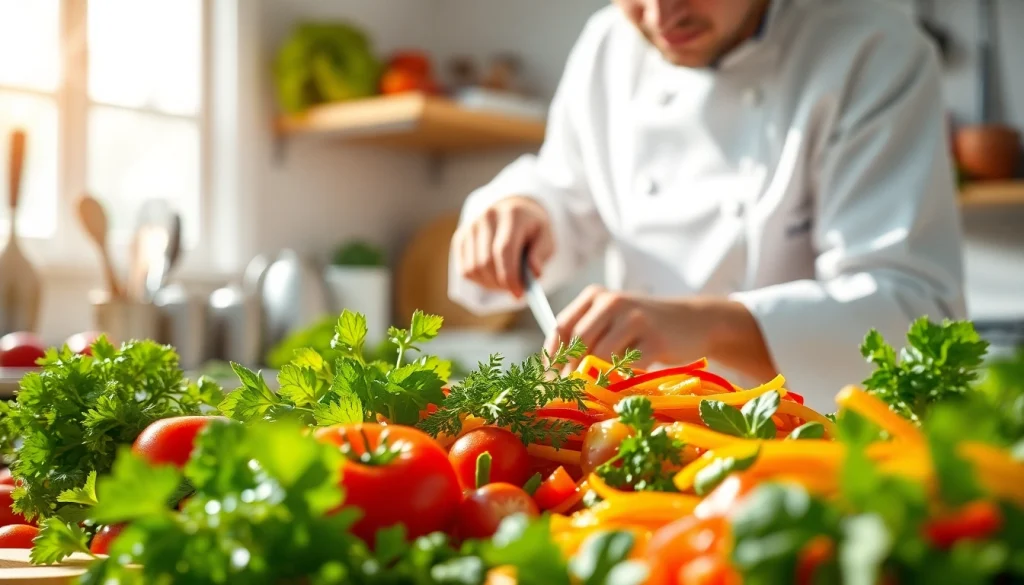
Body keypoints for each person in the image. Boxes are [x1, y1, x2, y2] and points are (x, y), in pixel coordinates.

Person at [447, 0, 965, 410]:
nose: (660, 16)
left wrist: (704, 326)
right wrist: (526, 208)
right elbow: (567, 184)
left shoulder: (873, 51)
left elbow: (908, 312)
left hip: (810, 444)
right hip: (639, 436)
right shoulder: (611, 42)